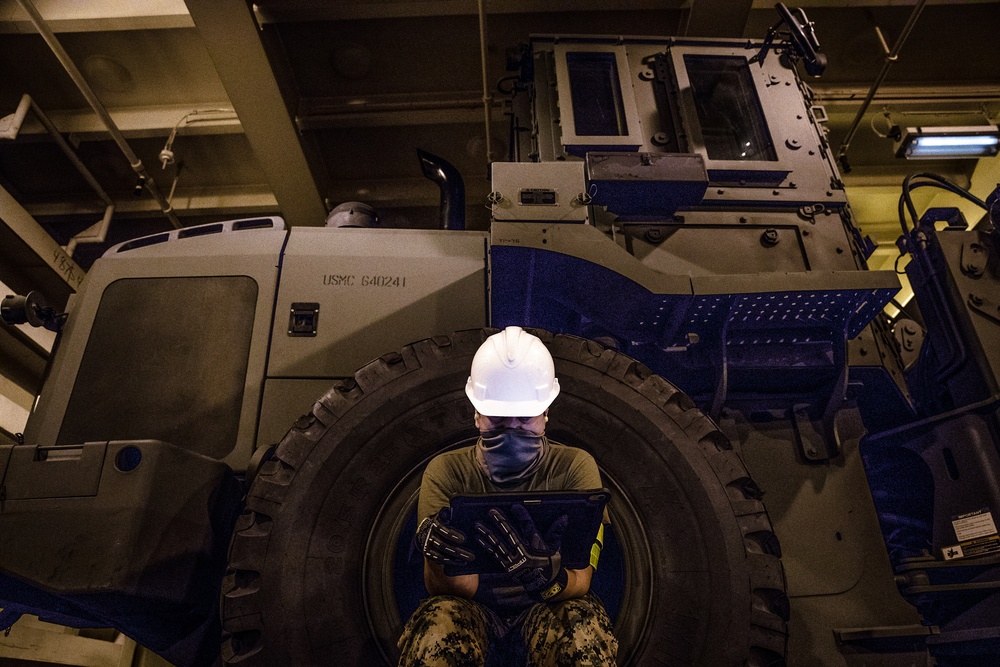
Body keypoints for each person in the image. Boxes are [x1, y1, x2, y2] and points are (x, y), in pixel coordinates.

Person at [397, 326, 618, 666]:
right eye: (499, 418)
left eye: (526, 418)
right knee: (438, 625)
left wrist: (549, 581)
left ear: (545, 415)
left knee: (581, 625)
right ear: (476, 414)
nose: (513, 427)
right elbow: (442, 587)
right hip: (473, 611)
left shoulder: (575, 467)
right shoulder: (447, 472)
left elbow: (582, 579)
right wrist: (438, 558)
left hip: (547, 607)